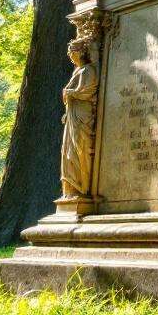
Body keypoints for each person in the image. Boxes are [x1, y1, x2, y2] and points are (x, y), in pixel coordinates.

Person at [59, 38, 98, 199]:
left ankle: (81, 188)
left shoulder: (88, 70)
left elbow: (87, 91)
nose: (70, 56)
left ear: (80, 52)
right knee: (69, 151)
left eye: (72, 53)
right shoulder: (78, 71)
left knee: (79, 149)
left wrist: (70, 93)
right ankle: (72, 188)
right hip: (73, 116)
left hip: (82, 116)